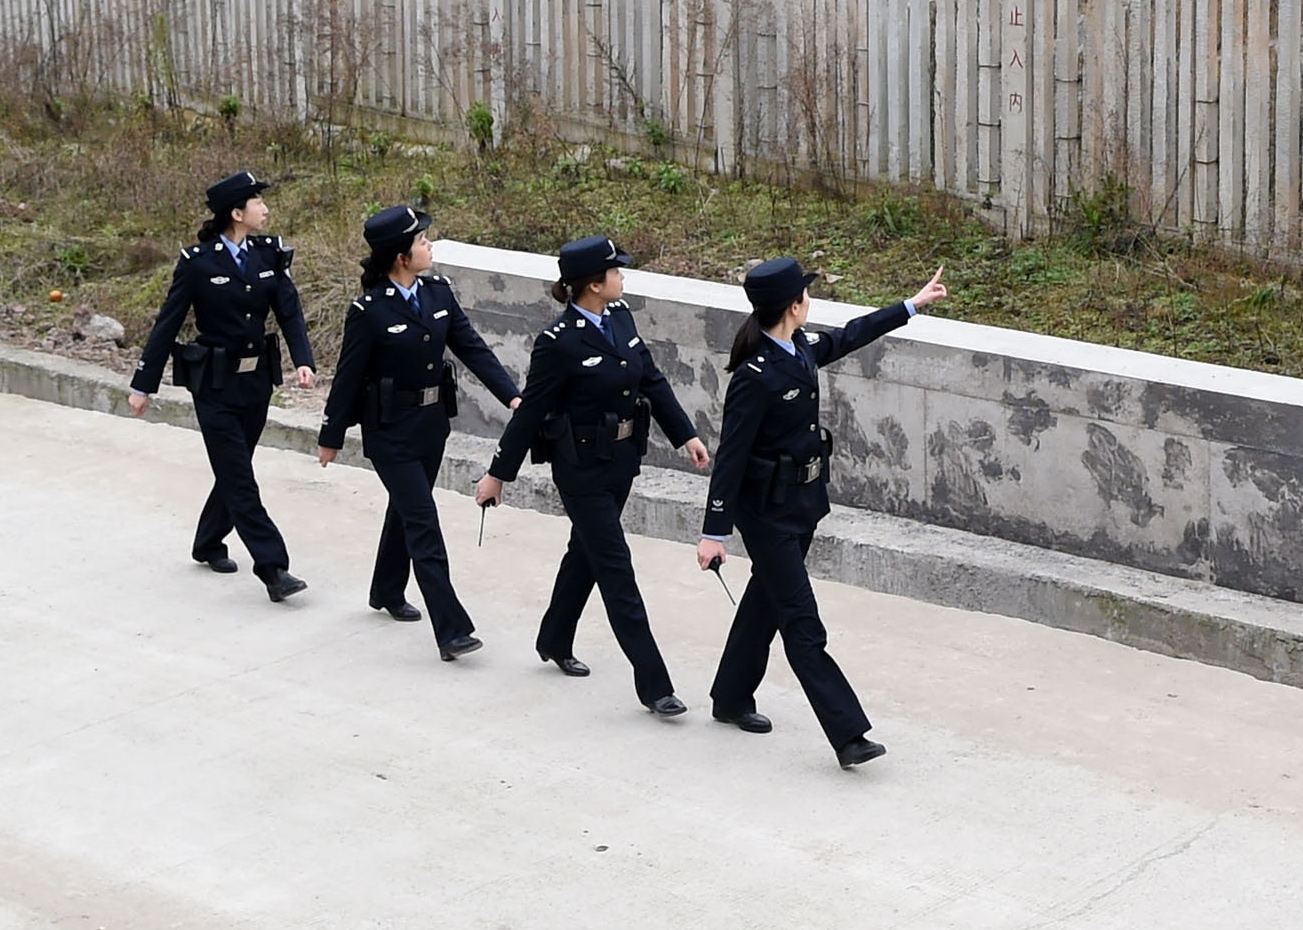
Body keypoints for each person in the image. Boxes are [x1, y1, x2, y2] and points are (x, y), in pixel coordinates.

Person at [698, 256, 947, 770]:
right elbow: (732, 456)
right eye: (807, 294)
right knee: (802, 625)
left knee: (765, 602)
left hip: (802, 504)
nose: (812, 299)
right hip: (766, 514)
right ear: (793, 305)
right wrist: (714, 531)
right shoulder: (755, 375)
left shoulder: (800, 347)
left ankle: (729, 696)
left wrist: (911, 306)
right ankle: (848, 734)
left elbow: (852, 335)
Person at [474, 237, 708, 718]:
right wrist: (498, 475)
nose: (623, 277)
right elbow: (529, 411)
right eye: (615, 272)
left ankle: (554, 638)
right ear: (594, 285)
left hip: (621, 460)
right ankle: (654, 684)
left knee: (586, 552)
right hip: (579, 469)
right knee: (616, 566)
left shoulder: (621, 318)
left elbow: (653, 381)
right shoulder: (557, 343)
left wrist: (685, 436)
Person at [318, 206, 519, 660]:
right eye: (421, 241)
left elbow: (472, 347)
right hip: (389, 432)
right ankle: (451, 629)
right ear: (400, 257)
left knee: (407, 511)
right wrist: (331, 434)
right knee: (424, 522)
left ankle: (386, 589)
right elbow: (348, 376)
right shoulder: (369, 311)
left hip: (431, 427)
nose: (429, 245)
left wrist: (511, 396)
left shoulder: (437, 293)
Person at [126, 170, 317, 602]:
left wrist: (303, 360)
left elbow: (288, 311)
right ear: (236, 212)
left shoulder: (268, 253)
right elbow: (168, 322)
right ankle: (273, 568)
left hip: (257, 383)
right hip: (213, 385)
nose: (265, 209)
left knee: (235, 469)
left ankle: (208, 541)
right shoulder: (198, 262)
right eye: (257, 203)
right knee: (240, 476)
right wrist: (144, 384)